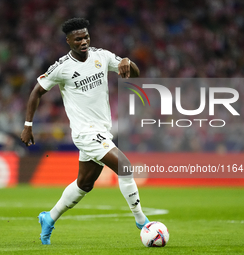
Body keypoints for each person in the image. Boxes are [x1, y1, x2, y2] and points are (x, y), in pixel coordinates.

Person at [20, 17, 149, 245]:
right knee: (125, 167)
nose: (83, 41)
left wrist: (128, 61)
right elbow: (36, 92)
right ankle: (142, 222)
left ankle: (48, 218)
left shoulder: (102, 56)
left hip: (102, 131)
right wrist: (28, 126)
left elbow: (134, 75)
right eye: (78, 38)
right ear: (68, 40)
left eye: (86, 37)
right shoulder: (61, 68)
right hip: (84, 133)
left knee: (84, 184)